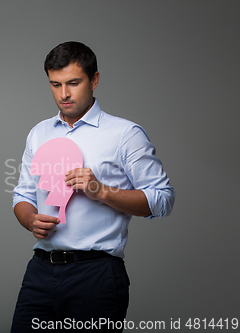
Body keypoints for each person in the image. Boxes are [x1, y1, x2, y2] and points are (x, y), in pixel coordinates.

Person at [11, 41, 175, 332]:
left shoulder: (125, 134)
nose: (64, 94)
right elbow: (23, 195)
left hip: (96, 274)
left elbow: (162, 199)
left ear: (94, 80)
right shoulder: (39, 133)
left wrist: (101, 191)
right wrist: (30, 220)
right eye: (55, 84)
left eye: (73, 83)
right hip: (40, 271)